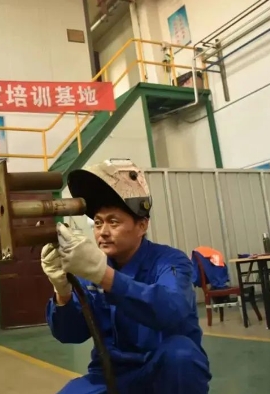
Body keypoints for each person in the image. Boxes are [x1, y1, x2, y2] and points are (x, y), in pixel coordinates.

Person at [41, 159, 211, 394]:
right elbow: (71, 334)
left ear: (142, 226)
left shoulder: (170, 261)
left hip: (161, 370)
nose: (103, 232)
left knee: (181, 355)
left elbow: (172, 309)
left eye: (114, 222)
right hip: (110, 374)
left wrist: (104, 276)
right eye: (98, 223)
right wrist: (62, 291)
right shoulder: (90, 270)